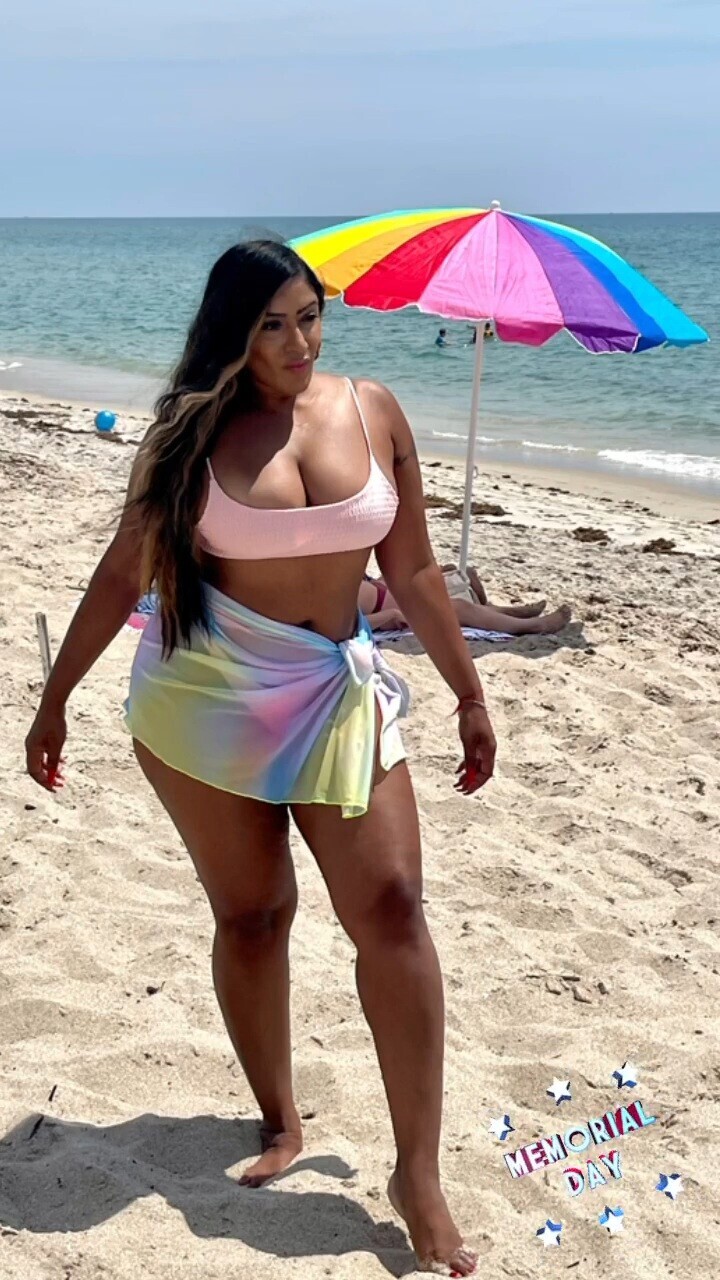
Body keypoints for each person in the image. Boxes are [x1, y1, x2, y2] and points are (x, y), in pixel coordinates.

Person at [25, 241, 496, 1276]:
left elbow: (414, 567)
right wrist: (55, 700)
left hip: (335, 692)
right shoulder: (189, 436)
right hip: (209, 701)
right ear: (233, 329)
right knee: (255, 914)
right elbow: (122, 575)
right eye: (272, 323)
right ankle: (279, 1117)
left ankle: (418, 1174)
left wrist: (470, 692)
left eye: (310, 316)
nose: (298, 342)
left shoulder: (373, 410)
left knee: (394, 911)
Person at [360, 565, 572, 636]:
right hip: (393, 609)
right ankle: (532, 626)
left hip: (385, 592)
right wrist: (391, 615)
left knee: (450, 579)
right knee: (462, 609)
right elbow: (349, 626)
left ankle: (505, 612)